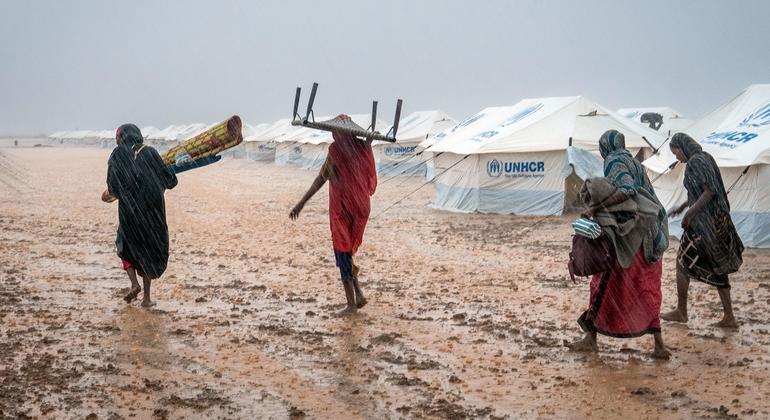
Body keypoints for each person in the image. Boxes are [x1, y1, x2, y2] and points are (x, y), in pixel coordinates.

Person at [568, 129, 671, 359]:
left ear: (605, 147)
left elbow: (627, 189)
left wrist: (594, 208)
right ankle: (659, 345)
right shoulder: (635, 163)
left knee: (603, 283)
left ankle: (590, 339)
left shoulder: (614, 161)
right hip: (651, 234)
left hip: (632, 237)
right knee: (646, 287)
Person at [289, 118, 377, 315]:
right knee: (346, 252)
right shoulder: (361, 148)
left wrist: (301, 203)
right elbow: (367, 161)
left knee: (342, 251)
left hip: (343, 210)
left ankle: (351, 305)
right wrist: (369, 143)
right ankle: (359, 295)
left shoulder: (336, 153)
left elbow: (321, 179)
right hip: (361, 208)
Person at [661, 133, 743, 328]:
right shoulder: (706, 158)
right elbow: (699, 192)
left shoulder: (695, 162)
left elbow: (709, 192)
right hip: (716, 222)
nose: (677, 158)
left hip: (705, 225)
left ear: (683, 147)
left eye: (676, 152)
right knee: (718, 266)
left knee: (682, 261)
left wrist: (689, 214)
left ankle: (682, 311)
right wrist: (683, 207)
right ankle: (729, 316)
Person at [102, 123, 178, 307]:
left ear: (122, 138)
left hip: (129, 212)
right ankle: (147, 299)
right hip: (153, 213)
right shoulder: (150, 152)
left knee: (125, 245)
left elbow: (113, 187)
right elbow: (170, 181)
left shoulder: (117, 155)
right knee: (148, 250)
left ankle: (134, 284)